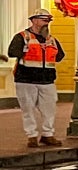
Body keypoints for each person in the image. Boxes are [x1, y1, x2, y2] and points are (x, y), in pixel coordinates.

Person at [8, 10, 64, 148]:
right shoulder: (22, 37)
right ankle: (31, 136)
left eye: (48, 21)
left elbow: (60, 56)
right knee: (28, 109)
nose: (47, 23)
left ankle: (47, 134)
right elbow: (12, 52)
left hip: (47, 80)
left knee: (49, 109)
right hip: (26, 79)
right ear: (34, 20)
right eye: (44, 20)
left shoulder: (52, 39)